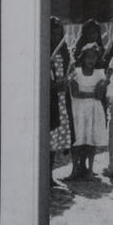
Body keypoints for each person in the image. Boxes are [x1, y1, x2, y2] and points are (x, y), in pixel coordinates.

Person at [68, 42, 108, 180]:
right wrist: (91, 93)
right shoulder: (76, 72)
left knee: (91, 140)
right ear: (83, 57)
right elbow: (75, 93)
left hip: (93, 111)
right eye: (88, 57)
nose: (91, 60)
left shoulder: (100, 73)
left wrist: (100, 86)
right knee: (77, 140)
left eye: (94, 57)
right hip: (78, 110)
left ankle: (90, 170)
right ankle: (74, 170)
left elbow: (99, 95)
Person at [49, 17, 74, 186]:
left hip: (60, 98)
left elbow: (68, 71)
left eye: (58, 33)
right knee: (47, 136)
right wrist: (51, 84)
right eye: (52, 33)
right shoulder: (42, 49)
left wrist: (66, 81)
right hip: (47, 98)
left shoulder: (63, 50)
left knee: (55, 139)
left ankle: (49, 176)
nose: (56, 36)